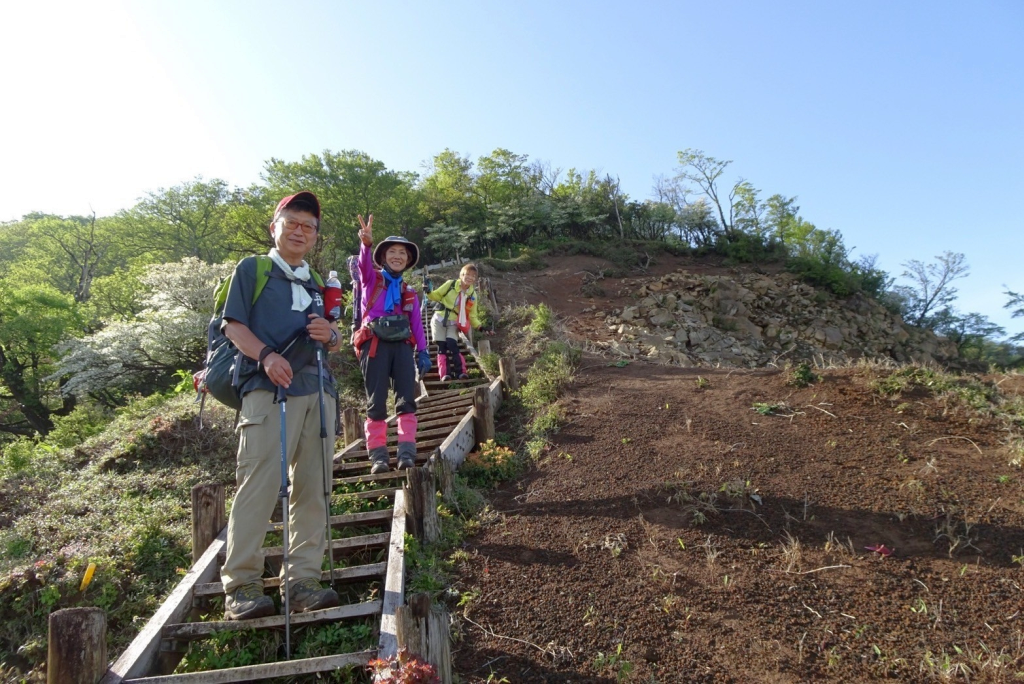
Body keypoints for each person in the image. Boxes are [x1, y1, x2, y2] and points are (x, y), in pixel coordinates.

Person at [219, 191, 343, 621]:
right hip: (267, 390)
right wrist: (266, 356)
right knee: (259, 483)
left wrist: (331, 334)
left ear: (315, 237)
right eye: (291, 222)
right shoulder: (253, 269)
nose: (299, 231)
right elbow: (233, 325)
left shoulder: (315, 283)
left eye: (308, 226)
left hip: (318, 390)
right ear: (275, 226)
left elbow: (333, 339)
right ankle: (242, 584)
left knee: (315, 487)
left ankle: (303, 580)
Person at [351, 214, 431, 474]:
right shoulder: (372, 279)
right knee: (376, 401)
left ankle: (406, 453)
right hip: (374, 344)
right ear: (383, 256)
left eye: (403, 254)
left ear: (408, 261)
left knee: (407, 399)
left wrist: (423, 351)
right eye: (393, 252)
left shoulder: (409, 292)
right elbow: (363, 267)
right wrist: (366, 245)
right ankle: (378, 457)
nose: (398, 256)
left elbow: (417, 324)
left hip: (402, 347)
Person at [427, 263, 483, 381]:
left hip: (454, 321)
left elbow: (472, 315)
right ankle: (445, 374)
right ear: (461, 275)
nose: (470, 277)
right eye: (467, 274)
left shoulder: (472, 295)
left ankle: (461, 372)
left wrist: (480, 327)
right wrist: (428, 291)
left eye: (473, 276)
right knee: (441, 346)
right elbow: (436, 295)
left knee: (452, 344)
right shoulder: (451, 284)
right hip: (439, 318)